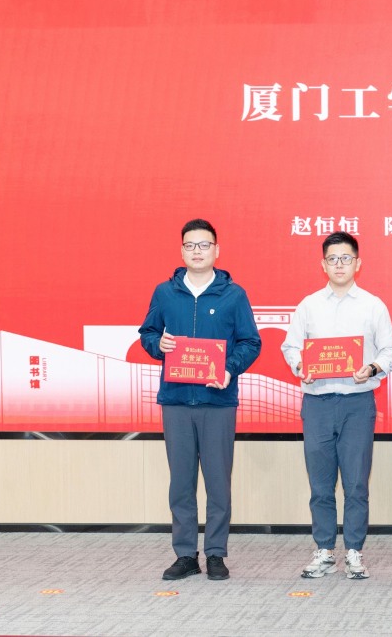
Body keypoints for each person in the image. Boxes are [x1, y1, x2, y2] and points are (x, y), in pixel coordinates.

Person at [138, 218, 261, 581]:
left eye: (204, 245)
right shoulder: (164, 292)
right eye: (190, 245)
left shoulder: (233, 295)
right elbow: (147, 333)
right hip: (176, 400)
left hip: (217, 400)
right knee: (181, 482)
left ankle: (216, 553)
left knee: (218, 481)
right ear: (181, 251)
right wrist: (157, 344)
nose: (197, 251)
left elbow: (250, 342)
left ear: (216, 251)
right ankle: (185, 554)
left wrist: (230, 369)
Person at [281, 232, 392, 580]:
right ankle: (323, 550)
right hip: (317, 402)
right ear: (323, 264)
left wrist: (372, 368)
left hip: (357, 403)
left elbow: (390, 350)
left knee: (356, 483)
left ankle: (354, 551)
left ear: (357, 263)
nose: (339, 265)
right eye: (332, 259)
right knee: (320, 484)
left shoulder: (373, 305)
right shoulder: (308, 305)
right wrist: (301, 366)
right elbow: (290, 347)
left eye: (346, 258)